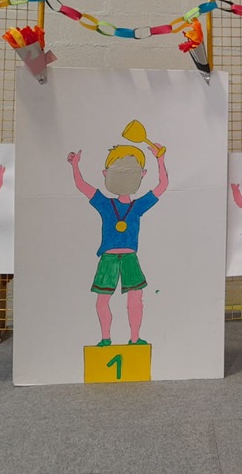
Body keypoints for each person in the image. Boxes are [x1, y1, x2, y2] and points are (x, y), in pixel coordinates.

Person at [67, 138, 167, 347]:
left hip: (129, 258)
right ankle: (105, 338)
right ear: (106, 174)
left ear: (142, 174)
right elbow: (81, 186)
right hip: (109, 259)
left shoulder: (137, 206)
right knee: (103, 300)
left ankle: (134, 338)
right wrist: (74, 165)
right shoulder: (105, 203)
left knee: (135, 299)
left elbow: (163, 186)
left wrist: (160, 160)